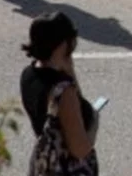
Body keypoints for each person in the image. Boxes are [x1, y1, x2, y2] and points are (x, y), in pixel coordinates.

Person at [20, 11, 100, 175]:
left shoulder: (28, 74)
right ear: (63, 45)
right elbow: (80, 149)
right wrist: (94, 120)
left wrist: (69, 70)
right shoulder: (63, 93)